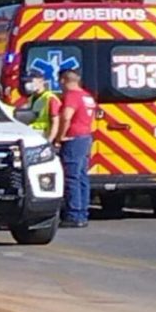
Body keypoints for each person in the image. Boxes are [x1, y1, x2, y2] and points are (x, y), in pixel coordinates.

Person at [54, 70, 97, 228]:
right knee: (82, 176)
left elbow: (66, 116)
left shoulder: (72, 96)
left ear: (64, 80)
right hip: (86, 136)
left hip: (73, 138)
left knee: (71, 176)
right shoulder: (87, 96)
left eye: (60, 82)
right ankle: (82, 213)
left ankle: (73, 214)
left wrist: (60, 136)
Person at [25, 71, 61, 142]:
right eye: (27, 81)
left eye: (31, 81)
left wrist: (50, 140)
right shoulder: (31, 98)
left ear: (41, 82)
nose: (28, 84)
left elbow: (55, 122)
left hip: (43, 134)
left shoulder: (49, 98)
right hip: (32, 133)